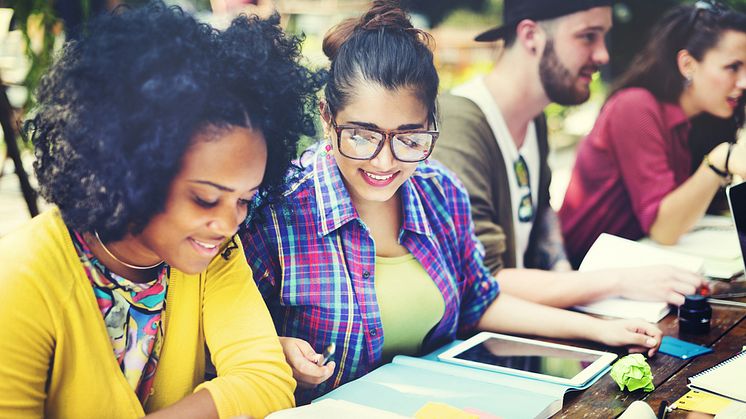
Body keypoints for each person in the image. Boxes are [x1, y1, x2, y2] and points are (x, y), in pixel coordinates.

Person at [241, 0, 662, 405]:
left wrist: (600, 330)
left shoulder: (439, 190)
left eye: (409, 138)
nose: (385, 162)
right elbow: (220, 342)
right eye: (363, 136)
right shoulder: (275, 210)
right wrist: (272, 349)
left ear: (431, 126)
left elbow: (480, 300)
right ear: (327, 116)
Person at [0, 3, 323, 417]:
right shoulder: (23, 277)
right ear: (132, 168)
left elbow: (266, 378)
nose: (228, 223)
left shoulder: (216, 256)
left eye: (244, 200)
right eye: (205, 198)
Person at [432, 0, 705, 308]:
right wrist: (619, 280)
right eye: (588, 36)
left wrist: (563, 271)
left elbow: (541, 211)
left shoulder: (533, 119)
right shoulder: (460, 123)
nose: (603, 54)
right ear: (531, 35)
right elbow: (482, 277)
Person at [559, 2, 746, 266]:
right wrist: (720, 161)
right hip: (582, 274)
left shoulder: (704, 121)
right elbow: (664, 229)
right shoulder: (636, 108)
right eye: (732, 67)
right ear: (688, 64)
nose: (743, 82)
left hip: (636, 269)